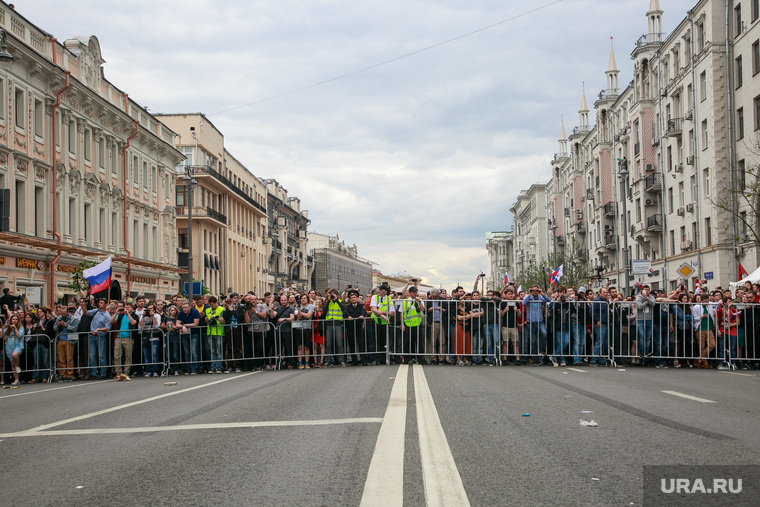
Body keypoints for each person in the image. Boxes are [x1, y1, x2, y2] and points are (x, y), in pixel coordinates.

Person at [522, 286, 550, 365]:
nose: (535, 292)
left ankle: (541, 349)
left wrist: (543, 294)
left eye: (536, 290)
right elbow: (523, 302)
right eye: (533, 290)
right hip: (530, 322)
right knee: (533, 341)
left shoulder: (540, 297)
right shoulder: (528, 297)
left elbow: (549, 301)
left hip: (540, 321)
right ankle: (535, 358)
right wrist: (529, 293)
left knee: (544, 333)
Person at [87, 299, 112, 379]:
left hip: (100, 336)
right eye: (99, 302)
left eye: (102, 303)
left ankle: (103, 373)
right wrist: (83, 306)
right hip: (92, 336)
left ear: (105, 305)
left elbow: (107, 328)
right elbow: (86, 313)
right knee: (92, 356)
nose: (100, 304)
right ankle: (94, 373)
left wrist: (98, 330)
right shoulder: (96, 311)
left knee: (101, 356)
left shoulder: (107, 316)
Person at [321, 289, 347, 367]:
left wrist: (336, 300)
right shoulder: (328, 302)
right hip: (329, 324)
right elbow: (324, 310)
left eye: (333, 294)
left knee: (339, 343)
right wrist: (329, 301)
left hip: (338, 324)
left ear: (337, 295)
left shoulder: (340, 301)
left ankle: (341, 360)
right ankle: (328, 360)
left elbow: (344, 308)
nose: (332, 296)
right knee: (329, 343)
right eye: (331, 294)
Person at [370, 284, 395, 365]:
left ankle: (385, 358)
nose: (379, 291)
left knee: (385, 342)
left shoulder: (389, 299)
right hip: (376, 322)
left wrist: (382, 312)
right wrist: (383, 316)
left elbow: (392, 313)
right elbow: (374, 309)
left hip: (385, 324)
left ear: (384, 291)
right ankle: (377, 359)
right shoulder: (374, 297)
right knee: (376, 341)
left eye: (380, 290)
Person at [270, 293, 297, 369]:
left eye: (284, 300)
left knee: (288, 347)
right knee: (278, 347)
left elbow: (292, 318)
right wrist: (271, 309)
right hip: (278, 330)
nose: (283, 302)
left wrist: (284, 319)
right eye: (282, 300)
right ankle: (278, 363)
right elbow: (272, 316)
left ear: (287, 300)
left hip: (287, 331)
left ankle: (290, 363)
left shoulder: (290, 309)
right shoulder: (277, 309)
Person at [111, 302, 138, 376]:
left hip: (128, 338)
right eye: (125, 307)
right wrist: (116, 313)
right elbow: (111, 321)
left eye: (128, 307)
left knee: (128, 356)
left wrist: (128, 314)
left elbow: (133, 322)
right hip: (119, 338)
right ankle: (118, 373)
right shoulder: (120, 315)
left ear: (132, 308)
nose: (126, 308)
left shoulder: (134, 315)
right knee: (117, 356)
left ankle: (126, 372)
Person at [54, 306, 80, 381]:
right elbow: (54, 328)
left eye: (64, 313)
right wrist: (58, 325)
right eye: (61, 313)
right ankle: (63, 374)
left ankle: (70, 374)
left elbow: (75, 328)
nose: (62, 314)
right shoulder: (58, 318)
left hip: (69, 340)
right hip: (60, 339)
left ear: (67, 312)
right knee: (61, 359)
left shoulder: (73, 319)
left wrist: (65, 325)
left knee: (69, 359)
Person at [222, 293, 246, 373]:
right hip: (229, 328)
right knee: (229, 348)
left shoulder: (240, 307)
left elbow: (240, 317)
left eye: (237, 298)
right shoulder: (228, 307)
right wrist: (225, 308)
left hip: (237, 328)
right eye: (234, 298)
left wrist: (233, 311)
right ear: (231, 299)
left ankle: (237, 365)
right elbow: (225, 317)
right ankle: (230, 365)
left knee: (237, 347)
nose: (236, 300)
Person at [178, 301, 200, 374]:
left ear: (190, 307)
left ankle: (194, 368)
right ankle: (188, 368)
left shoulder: (195, 311)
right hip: (185, 334)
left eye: (186, 308)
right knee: (186, 351)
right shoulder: (181, 313)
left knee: (193, 351)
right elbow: (177, 324)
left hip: (194, 333)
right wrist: (182, 326)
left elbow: (195, 324)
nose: (184, 309)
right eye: (183, 308)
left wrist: (185, 325)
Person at [204, 296, 226, 373]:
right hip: (210, 332)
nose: (211, 306)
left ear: (216, 302)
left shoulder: (221, 309)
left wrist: (216, 318)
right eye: (210, 304)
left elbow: (223, 320)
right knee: (212, 351)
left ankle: (219, 367)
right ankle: (213, 367)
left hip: (219, 332)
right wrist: (207, 320)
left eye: (212, 304)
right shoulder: (208, 310)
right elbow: (207, 320)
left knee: (219, 351)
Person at [344, 290, 366, 365]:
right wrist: (348, 316)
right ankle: (354, 360)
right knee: (351, 344)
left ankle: (363, 359)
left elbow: (363, 311)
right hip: (350, 327)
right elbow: (346, 313)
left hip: (358, 326)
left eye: (354, 297)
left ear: (357, 298)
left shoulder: (360, 306)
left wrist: (362, 315)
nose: (353, 299)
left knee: (361, 343)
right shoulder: (347, 306)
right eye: (351, 298)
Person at [426, 289, 447, 365]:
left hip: (441, 322)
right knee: (432, 341)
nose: (434, 298)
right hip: (433, 322)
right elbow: (424, 311)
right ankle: (433, 358)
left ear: (438, 295)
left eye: (435, 296)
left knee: (442, 341)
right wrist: (429, 310)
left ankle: (441, 358)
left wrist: (442, 309)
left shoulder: (443, 300)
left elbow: (447, 311)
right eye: (433, 296)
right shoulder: (428, 301)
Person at [294, 294, 314, 369]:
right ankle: (300, 362)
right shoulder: (297, 307)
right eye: (302, 298)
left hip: (307, 328)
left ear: (307, 299)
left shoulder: (311, 306)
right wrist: (299, 310)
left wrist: (300, 312)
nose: (303, 300)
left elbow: (309, 316)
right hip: (299, 328)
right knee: (299, 346)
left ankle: (307, 362)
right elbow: (299, 317)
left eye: (305, 298)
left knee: (307, 347)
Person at [3, 314, 24, 386]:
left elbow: (19, 336)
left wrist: (15, 328)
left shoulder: (21, 327)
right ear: (10, 320)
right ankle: (16, 379)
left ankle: (18, 366)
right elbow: (1, 335)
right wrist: (2, 328)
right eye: (13, 319)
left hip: (18, 345)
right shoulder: (8, 328)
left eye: (16, 319)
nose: (15, 321)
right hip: (9, 346)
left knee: (14, 355)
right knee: (12, 364)